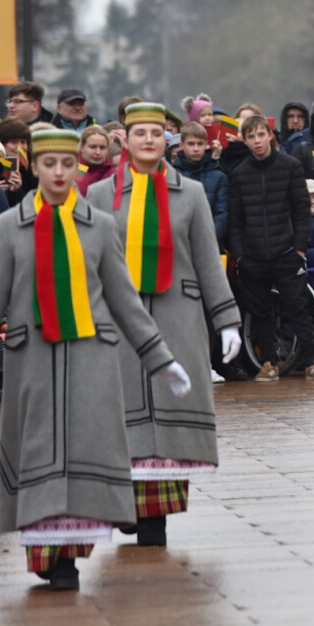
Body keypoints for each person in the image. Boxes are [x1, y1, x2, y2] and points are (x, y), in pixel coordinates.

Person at [0, 126, 189, 590]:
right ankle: (48, 553)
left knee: (84, 450)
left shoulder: (100, 225)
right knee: (40, 453)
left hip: (92, 357)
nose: (58, 172)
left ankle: (69, 554)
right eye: (49, 163)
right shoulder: (8, 226)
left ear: (78, 168)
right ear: (34, 167)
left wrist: (160, 358)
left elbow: (124, 300)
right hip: (32, 362)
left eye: (67, 164)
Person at [88, 104, 242, 548]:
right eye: (140, 133)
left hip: (178, 316)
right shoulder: (99, 195)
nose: (149, 140)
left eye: (157, 133)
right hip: (119, 322)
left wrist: (226, 319)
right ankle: (125, 501)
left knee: (169, 413)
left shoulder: (190, 193)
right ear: (125, 139)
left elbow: (208, 258)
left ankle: (154, 516)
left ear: (166, 140)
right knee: (122, 410)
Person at [227, 114, 314, 382]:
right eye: (251, 137)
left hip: (287, 252)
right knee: (260, 312)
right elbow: (235, 218)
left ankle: (312, 361)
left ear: (270, 135)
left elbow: (301, 211)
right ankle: (269, 362)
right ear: (244, 140)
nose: (257, 141)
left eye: (261, 135)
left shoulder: (291, 166)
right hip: (253, 255)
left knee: (299, 307)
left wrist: (299, 248)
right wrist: (240, 254)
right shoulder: (239, 174)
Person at [174, 122, 229, 247]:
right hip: (180, 244)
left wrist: (206, 241)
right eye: (191, 144)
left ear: (206, 145)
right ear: (182, 145)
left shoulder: (219, 177)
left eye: (200, 144)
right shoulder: (172, 175)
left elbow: (222, 215)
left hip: (210, 244)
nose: (196, 149)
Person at [78, 125, 116, 190]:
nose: (98, 152)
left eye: (102, 147)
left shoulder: (114, 175)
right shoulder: (72, 172)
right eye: (93, 147)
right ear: (82, 147)